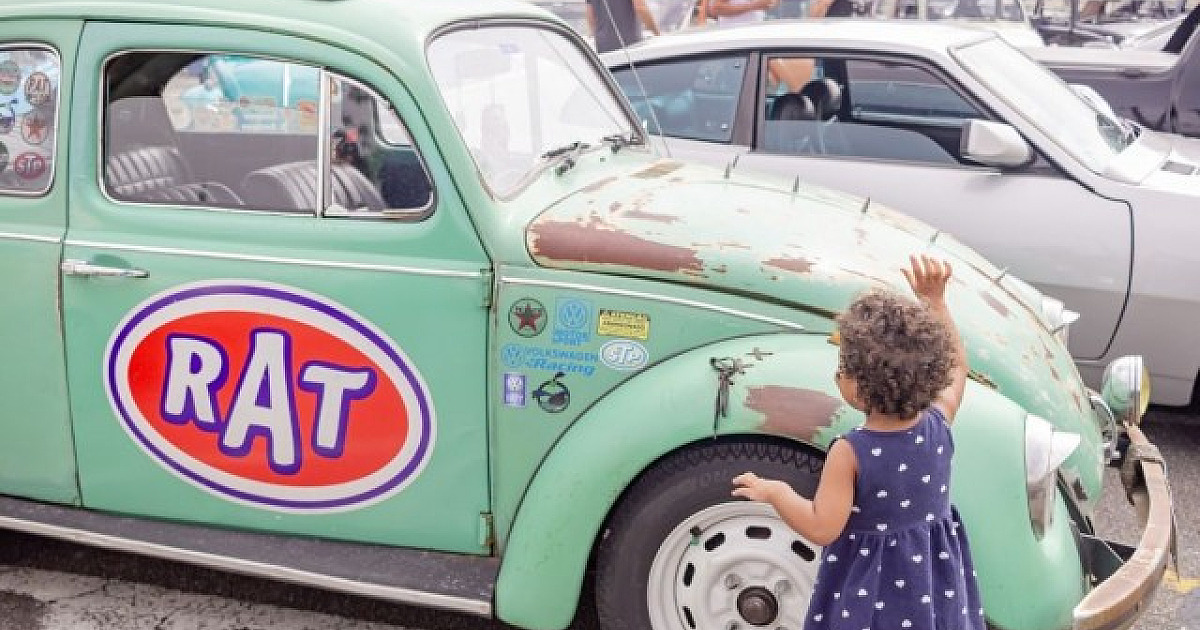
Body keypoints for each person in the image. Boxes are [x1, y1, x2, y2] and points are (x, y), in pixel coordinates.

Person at [732, 254, 985, 630]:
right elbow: (958, 366)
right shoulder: (939, 419)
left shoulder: (850, 452)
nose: (838, 373)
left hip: (873, 590)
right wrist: (935, 301)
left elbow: (822, 527)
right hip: (931, 580)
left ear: (863, 387)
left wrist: (778, 493)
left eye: (844, 367)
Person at [586, 0, 661, 53]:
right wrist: (657, 34)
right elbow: (640, 8)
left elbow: (591, 16)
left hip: (603, 48)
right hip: (630, 46)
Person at [707, 0, 780, 25]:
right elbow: (716, 9)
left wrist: (772, 2)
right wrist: (753, 6)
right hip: (733, 38)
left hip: (755, 35)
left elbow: (773, 3)